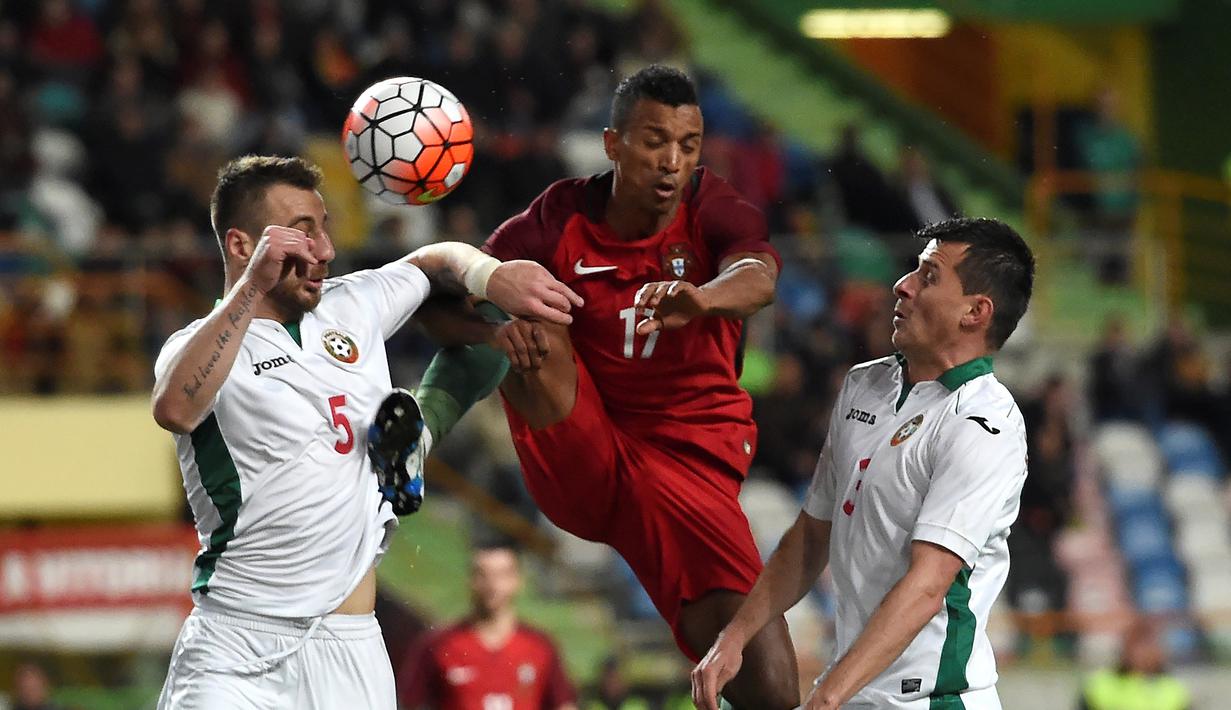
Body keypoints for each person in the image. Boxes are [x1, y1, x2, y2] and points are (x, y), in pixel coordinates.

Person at [419, 64, 799, 709]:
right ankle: (419, 426)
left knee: (770, 681)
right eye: (654, 141)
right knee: (531, 314)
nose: (672, 161)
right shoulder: (552, 222)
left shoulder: (715, 209)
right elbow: (439, 304)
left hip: (691, 463)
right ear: (613, 143)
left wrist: (701, 299)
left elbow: (759, 277)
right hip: (584, 450)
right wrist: (489, 334)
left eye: (688, 144)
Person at [149, 155, 581, 710]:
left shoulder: (353, 303)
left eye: (324, 227)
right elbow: (175, 410)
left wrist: (489, 275)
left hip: (350, 648)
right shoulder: (196, 346)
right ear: (241, 246)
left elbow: (434, 261)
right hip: (236, 647)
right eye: (303, 232)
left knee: (491, 330)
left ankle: (414, 447)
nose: (325, 249)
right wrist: (254, 286)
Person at [693, 217, 1036, 710]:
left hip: (935, 700)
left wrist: (824, 700)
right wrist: (736, 636)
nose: (903, 285)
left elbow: (928, 585)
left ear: (975, 312)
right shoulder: (863, 384)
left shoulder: (986, 424)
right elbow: (814, 533)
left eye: (929, 276)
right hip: (851, 691)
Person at [398, 545, 578, 710]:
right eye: (483, 574)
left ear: (518, 581)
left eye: (502, 575)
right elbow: (410, 702)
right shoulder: (439, 644)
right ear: (470, 580)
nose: (493, 585)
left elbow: (564, 704)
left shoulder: (539, 646)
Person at [1077, 617, 1190, 710]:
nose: (1145, 653)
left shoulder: (1174, 690)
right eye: (1138, 645)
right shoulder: (1099, 686)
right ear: (1125, 649)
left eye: (1149, 644)